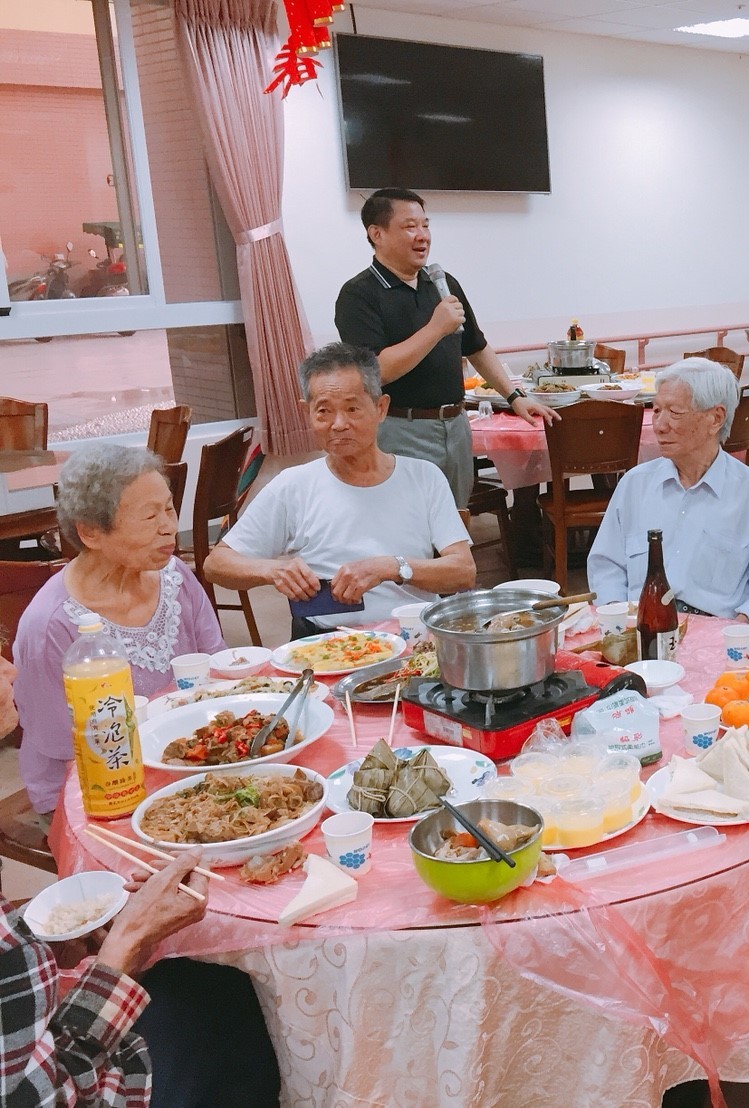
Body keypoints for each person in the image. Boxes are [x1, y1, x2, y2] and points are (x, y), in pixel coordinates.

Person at [0, 650, 280, 1107]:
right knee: (227, 1005)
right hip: (82, 1088)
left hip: (40, 1048)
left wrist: (54, 943)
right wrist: (123, 950)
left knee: (205, 984)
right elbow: (38, 1097)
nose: (11, 669)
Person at [204, 343, 475, 640]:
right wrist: (272, 571)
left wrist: (392, 567)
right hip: (329, 644)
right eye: (323, 411)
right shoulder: (293, 485)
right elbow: (217, 565)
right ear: (306, 413)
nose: (339, 424)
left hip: (414, 639)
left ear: (380, 408)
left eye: (352, 408)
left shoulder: (424, 477)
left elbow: (463, 571)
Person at [14, 445, 227, 815]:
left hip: (189, 762)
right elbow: (64, 749)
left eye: (169, 508)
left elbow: (219, 671)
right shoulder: (51, 626)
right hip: (93, 791)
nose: (169, 527)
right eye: (149, 517)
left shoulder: (174, 577)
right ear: (91, 532)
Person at [335, 187, 556, 507]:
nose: (422, 235)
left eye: (426, 225)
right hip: (400, 429)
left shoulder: (443, 283)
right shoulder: (358, 294)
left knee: (455, 522)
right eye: (410, 226)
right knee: (408, 526)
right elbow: (376, 371)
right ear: (377, 233)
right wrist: (436, 328)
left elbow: (476, 347)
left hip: (455, 426)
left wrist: (515, 397)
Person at [588, 358, 749, 627]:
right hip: (639, 628)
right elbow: (606, 567)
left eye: (675, 412)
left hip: (715, 635)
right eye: (657, 410)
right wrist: (618, 620)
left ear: (715, 418)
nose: (659, 425)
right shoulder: (635, 485)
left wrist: (731, 638)